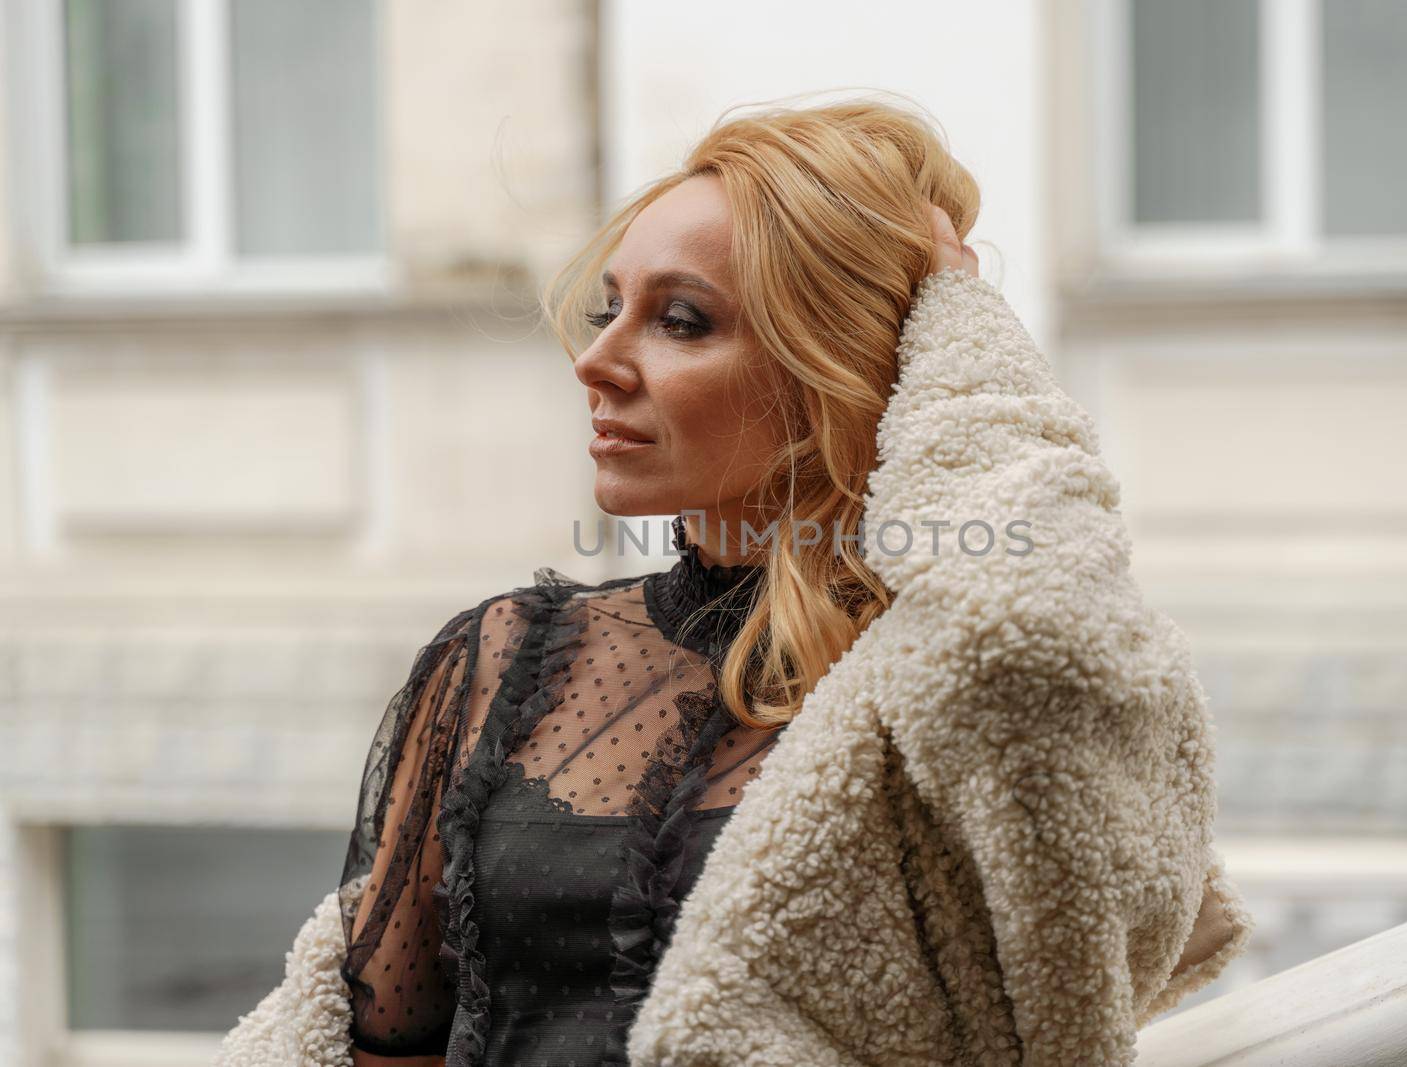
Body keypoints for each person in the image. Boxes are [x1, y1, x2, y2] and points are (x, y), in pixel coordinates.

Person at [298, 96, 1250, 1067]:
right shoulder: (503, 659)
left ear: (827, 367)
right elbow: (374, 1041)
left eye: (678, 319)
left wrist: (957, 324)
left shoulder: (944, 695)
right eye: (605, 308)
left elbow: (1032, 641)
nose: (595, 360)